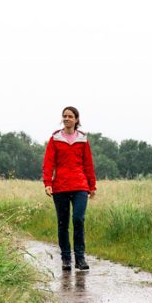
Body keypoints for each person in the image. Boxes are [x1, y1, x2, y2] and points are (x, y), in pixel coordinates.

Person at [42, 106, 97, 271]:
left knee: (78, 220)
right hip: (60, 187)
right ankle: (66, 258)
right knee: (63, 223)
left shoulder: (82, 139)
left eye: (70, 116)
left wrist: (92, 185)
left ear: (76, 119)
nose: (67, 118)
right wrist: (48, 183)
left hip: (80, 186)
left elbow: (88, 164)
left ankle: (80, 258)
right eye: (64, 116)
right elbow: (48, 162)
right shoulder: (55, 138)